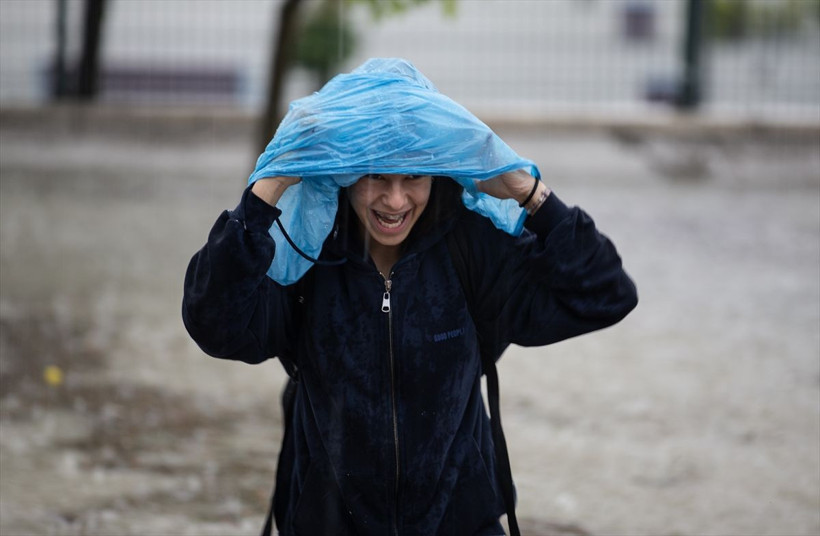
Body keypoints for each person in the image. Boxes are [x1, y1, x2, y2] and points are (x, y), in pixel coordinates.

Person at [183, 59, 637, 536]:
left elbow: (607, 292)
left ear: (438, 172)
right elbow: (214, 325)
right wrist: (270, 184)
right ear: (344, 173)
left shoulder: (471, 246)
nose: (396, 201)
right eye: (377, 177)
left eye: (414, 177)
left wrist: (528, 192)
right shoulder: (304, 253)